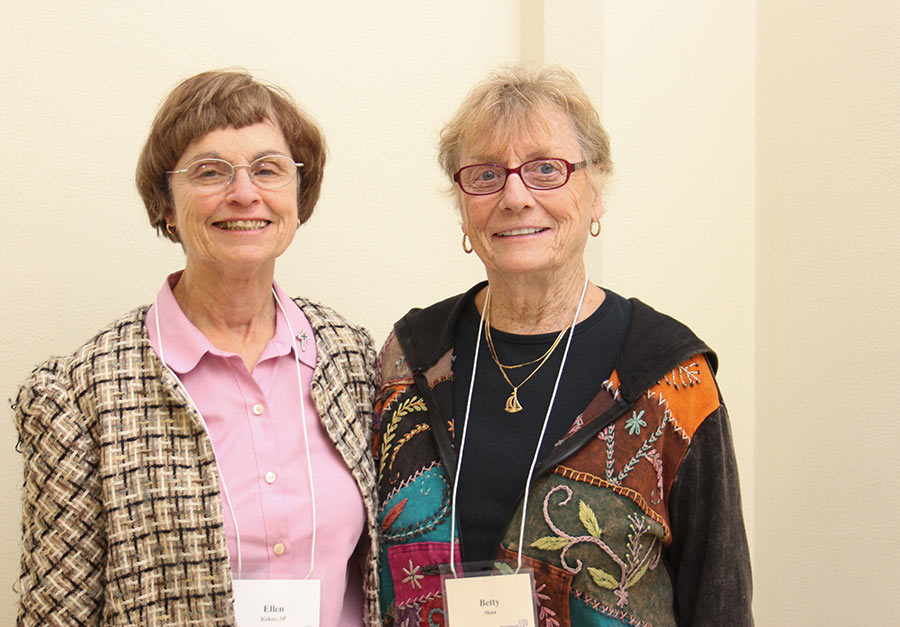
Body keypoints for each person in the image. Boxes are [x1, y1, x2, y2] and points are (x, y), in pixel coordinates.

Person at [373, 65, 752, 626]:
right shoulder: (411, 358)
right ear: (462, 207)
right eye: (486, 175)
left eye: (546, 169)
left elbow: (718, 597)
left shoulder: (671, 377)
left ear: (596, 194)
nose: (515, 196)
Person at [13, 70, 379, 626]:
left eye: (268, 169)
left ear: (298, 197)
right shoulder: (82, 395)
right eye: (210, 171)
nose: (244, 193)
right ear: (166, 203)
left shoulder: (349, 359)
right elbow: (55, 617)